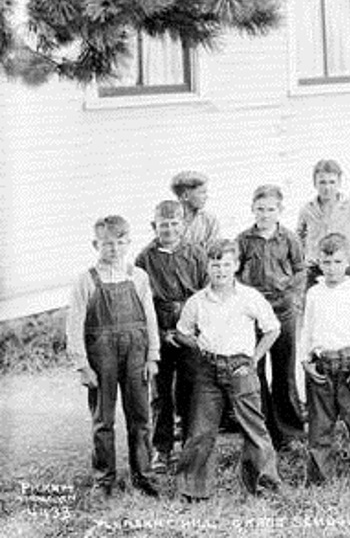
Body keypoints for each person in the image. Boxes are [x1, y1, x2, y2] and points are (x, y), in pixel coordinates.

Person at [175, 240, 282, 499]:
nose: (220, 270)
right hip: (208, 370)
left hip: (240, 367)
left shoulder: (249, 297)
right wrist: (198, 344)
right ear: (207, 267)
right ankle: (193, 489)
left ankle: (263, 483)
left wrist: (254, 359)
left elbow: (272, 329)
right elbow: (182, 332)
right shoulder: (197, 301)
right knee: (201, 430)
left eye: (226, 264)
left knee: (253, 427)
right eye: (215, 265)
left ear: (235, 266)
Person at [66, 216, 161, 497]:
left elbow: (150, 318)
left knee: (140, 417)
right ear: (96, 244)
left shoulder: (138, 276)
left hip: (136, 352)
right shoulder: (86, 280)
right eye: (108, 244)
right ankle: (104, 479)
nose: (115, 249)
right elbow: (74, 324)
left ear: (128, 243)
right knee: (102, 419)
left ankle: (144, 476)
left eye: (121, 243)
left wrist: (152, 355)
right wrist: (82, 364)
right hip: (101, 355)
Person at [299, 233, 350, 488]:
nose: (332, 268)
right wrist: (305, 360)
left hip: (349, 365)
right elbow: (307, 329)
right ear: (319, 263)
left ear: (347, 262)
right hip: (323, 366)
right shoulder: (314, 293)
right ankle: (320, 479)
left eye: (337, 262)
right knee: (320, 425)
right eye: (326, 262)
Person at [134, 200, 208, 472]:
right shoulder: (144, 258)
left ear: (183, 224)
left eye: (174, 223)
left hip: (190, 330)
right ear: (154, 226)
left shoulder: (197, 253)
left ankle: (190, 445)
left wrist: (191, 331)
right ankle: (161, 449)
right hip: (160, 330)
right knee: (160, 392)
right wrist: (161, 333)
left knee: (190, 388)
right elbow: (142, 302)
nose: (169, 229)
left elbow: (205, 294)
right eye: (163, 224)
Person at [235, 184, 306, 450]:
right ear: (253, 209)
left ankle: (291, 432)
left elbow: (300, 270)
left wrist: (292, 296)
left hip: (283, 310)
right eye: (260, 209)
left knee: (284, 370)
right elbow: (234, 273)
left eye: (270, 209)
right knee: (255, 369)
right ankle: (263, 430)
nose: (265, 215)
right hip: (253, 314)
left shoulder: (289, 238)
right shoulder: (243, 240)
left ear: (280, 210)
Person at [296, 158, 350, 285]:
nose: (327, 187)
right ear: (315, 183)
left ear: (339, 182)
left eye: (332, 182)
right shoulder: (307, 210)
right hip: (316, 267)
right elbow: (299, 236)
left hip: (343, 267)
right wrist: (304, 257)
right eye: (322, 182)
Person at [171, 171, 221, 252]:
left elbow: (214, 250)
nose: (206, 197)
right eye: (202, 192)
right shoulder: (170, 222)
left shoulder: (209, 220)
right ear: (185, 196)